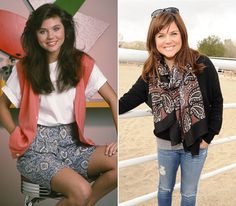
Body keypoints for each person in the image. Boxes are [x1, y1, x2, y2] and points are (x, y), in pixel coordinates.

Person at [0, 3, 117, 206]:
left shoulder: (83, 63)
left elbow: (113, 99)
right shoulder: (24, 68)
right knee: (81, 191)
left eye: (56, 28)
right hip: (36, 149)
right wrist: (16, 133)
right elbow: (1, 105)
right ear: (35, 35)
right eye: (42, 31)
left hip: (73, 144)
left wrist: (120, 137)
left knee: (118, 164)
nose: (50, 36)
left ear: (65, 29)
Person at [119, 7, 223, 206]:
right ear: (153, 40)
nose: (168, 40)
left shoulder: (202, 64)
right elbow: (127, 101)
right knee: (164, 189)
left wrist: (209, 136)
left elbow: (217, 101)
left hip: (197, 143)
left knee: (189, 194)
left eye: (173, 33)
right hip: (166, 146)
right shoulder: (150, 73)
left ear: (182, 35)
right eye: (161, 35)